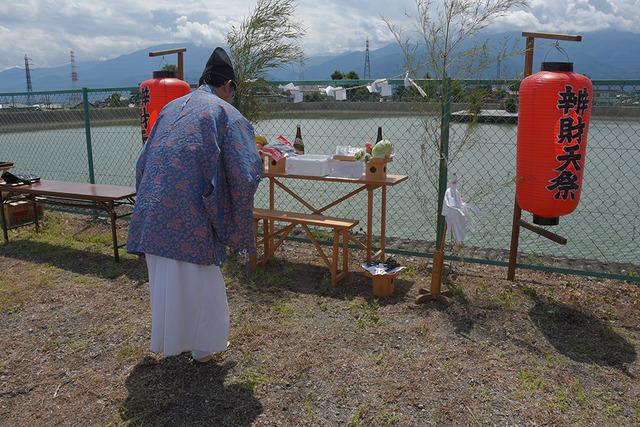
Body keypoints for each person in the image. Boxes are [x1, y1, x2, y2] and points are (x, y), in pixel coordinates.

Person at [127, 47, 262, 362]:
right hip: (191, 218)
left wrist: (149, 204)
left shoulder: (172, 108)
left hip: (153, 210)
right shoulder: (226, 113)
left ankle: (173, 341)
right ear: (227, 85)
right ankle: (205, 349)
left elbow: (142, 163)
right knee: (203, 288)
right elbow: (244, 176)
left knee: (167, 286)